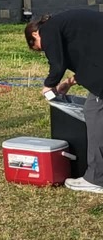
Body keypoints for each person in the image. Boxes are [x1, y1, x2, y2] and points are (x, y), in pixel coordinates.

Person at [26, 10, 103, 194]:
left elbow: (57, 63)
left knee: (94, 111)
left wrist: (48, 86)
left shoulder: (48, 29)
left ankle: (96, 179)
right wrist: (68, 82)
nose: (45, 50)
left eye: (40, 48)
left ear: (34, 34)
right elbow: (88, 53)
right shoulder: (66, 25)